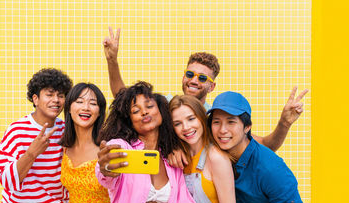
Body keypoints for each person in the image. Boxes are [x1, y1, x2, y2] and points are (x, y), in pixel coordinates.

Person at [102, 27, 308, 167]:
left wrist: (284, 123)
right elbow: (125, 99)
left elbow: (264, 145)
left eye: (202, 78)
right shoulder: (164, 103)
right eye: (190, 74)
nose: (193, 80)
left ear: (211, 86)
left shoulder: (213, 118)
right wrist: (112, 61)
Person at [95, 81, 198, 203]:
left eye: (149, 106)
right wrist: (106, 167)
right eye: (135, 111)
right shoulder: (123, 148)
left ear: (161, 111)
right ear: (130, 121)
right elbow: (107, 170)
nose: (144, 111)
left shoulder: (172, 161)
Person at [208, 91, 308, 203]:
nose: (222, 130)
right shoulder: (221, 156)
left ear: (247, 127)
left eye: (231, 122)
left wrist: (284, 124)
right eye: (216, 122)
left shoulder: (270, 168)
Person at [0, 68, 72, 203]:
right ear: (35, 99)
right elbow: (6, 180)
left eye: (60, 95)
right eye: (49, 94)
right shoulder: (17, 130)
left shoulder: (66, 130)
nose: (56, 100)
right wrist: (31, 153)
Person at [169, 95, 237, 203]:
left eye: (191, 119)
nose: (186, 127)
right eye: (177, 123)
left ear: (201, 118)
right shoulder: (177, 158)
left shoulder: (216, 158)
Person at [58, 83, 109, 203]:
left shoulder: (107, 149)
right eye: (79, 101)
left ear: (100, 111)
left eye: (93, 103)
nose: (86, 107)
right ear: (69, 108)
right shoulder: (64, 147)